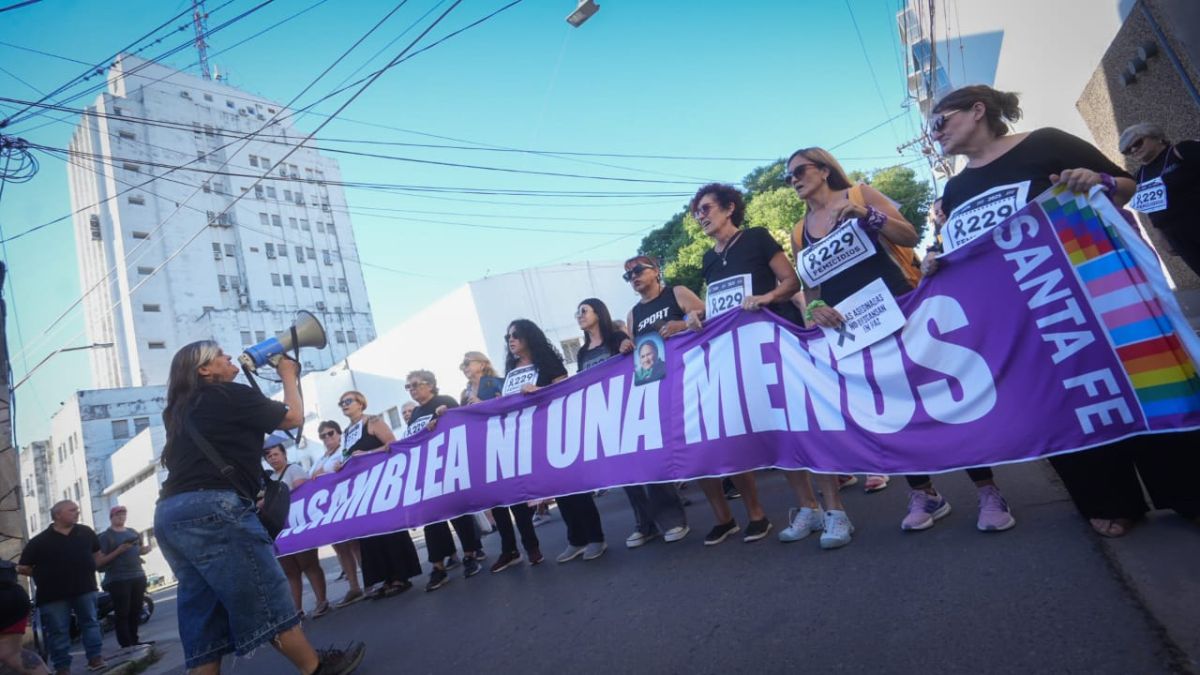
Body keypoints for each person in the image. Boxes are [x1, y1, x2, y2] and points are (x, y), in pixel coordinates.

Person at [925, 85, 1199, 537]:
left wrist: (1100, 182)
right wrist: (939, 264)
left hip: (1098, 297)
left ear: (978, 111)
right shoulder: (955, 189)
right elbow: (963, 253)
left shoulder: (1047, 143)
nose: (935, 135)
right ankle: (1108, 499)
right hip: (1027, 323)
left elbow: (1127, 186)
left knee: (1142, 384)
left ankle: (1187, 489)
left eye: (940, 122)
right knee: (1064, 404)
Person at [153, 342, 363, 674]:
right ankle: (315, 667)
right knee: (264, 591)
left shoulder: (178, 410)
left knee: (203, 614)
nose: (228, 357)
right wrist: (287, 375)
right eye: (219, 355)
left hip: (169, 514)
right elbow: (292, 417)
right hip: (213, 508)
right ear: (204, 370)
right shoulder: (226, 394)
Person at [783, 146, 926, 548]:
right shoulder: (799, 230)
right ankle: (924, 494)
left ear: (825, 170)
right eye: (788, 176)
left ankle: (986, 487)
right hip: (854, 329)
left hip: (899, 306)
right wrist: (815, 307)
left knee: (932, 394)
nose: (793, 180)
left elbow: (909, 235)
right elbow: (811, 286)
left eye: (799, 171)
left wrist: (868, 216)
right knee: (894, 409)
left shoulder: (861, 195)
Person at [681, 183, 792, 545]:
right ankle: (781, 510)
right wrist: (699, 316)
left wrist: (767, 297)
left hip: (772, 341)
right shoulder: (708, 259)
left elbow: (791, 281)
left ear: (730, 208)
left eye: (707, 208)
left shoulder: (757, 238)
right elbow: (717, 308)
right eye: (697, 212)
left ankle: (819, 502)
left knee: (789, 421)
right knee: (752, 426)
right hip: (735, 354)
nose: (701, 217)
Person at [618, 256, 693, 547]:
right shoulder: (633, 314)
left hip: (687, 376)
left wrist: (681, 324)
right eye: (628, 276)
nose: (633, 277)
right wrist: (626, 345)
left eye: (638, 270)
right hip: (654, 387)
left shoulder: (677, 293)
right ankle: (666, 519)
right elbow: (634, 348)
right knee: (653, 452)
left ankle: (736, 513)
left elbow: (704, 316)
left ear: (656, 272)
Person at [488, 319, 568, 572]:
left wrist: (539, 390)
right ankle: (571, 542)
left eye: (516, 335)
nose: (510, 340)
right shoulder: (510, 371)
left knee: (568, 487)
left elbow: (565, 391)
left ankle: (591, 537)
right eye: (507, 337)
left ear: (529, 337)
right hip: (519, 438)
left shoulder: (548, 363)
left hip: (549, 432)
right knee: (516, 492)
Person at [550, 299, 618, 563]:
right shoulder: (582, 351)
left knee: (639, 471)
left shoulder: (617, 337)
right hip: (598, 413)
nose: (578, 316)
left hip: (621, 409)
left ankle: (667, 521)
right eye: (576, 312)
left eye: (583, 311)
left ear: (598, 314)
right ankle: (642, 526)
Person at [337, 390, 423, 597]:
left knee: (389, 530)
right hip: (362, 488)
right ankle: (385, 577)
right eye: (341, 403)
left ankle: (400, 576)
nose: (344, 405)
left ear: (360, 403)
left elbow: (392, 444)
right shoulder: (348, 432)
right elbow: (350, 455)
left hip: (382, 482)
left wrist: (367, 454)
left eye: (348, 401)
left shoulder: (373, 421)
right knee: (372, 533)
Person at [404, 369, 485, 588]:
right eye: (408, 386)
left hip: (449, 465)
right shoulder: (415, 414)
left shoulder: (444, 401)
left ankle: (470, 554)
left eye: (415, 384)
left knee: (457, 512)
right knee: (431, 519)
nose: (411, 389)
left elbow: (460, 423)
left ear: (430, 385)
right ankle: (438, 566)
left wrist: (441, 418)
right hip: (427, 472)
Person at [17, 500, 114, 673]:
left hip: (85, 588)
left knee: (90, 623)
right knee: (58, 632)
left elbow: (97, 555)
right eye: (72, 510)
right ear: (58, 515)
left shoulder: (86, 532)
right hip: (52, 595)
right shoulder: (39, 541)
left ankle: (95, 659)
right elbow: (23, 567)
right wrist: (45, 575)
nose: (77, 512)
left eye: (77, 509)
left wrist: (91, 567)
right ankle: (62, 668)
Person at [1119, 122, 1200, 277]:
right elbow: (1152, 210)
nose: (1134, 150)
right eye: (1127, 151)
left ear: (1156, 137)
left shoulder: (1181, 151)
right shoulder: (1139, 176)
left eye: (1137, 143)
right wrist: (1160, 236)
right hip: (1179, 237)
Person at [265, 438, 330, 618]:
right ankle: (297, 609)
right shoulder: (270, 478)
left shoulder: (294, 469)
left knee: (309, 564)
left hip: (298, 524)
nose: (272, 458)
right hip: (279, 529)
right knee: (290, 570)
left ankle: (322, 601)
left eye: (276, 454)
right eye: (269, 456)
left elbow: (302, 494)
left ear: (284, 454)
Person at [309, 421, 365, 606]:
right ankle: (354, 587)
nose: (327, 438)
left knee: (355, 545)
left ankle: (370, 582)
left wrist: (323, 471)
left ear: (339, 434)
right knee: (340, 548)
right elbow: (312, 476)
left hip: (346, 503)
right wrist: (323, 470)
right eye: (322, 436)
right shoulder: (321, 457)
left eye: (330, 433)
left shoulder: (346, 449)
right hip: (329, 509)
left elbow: (345, 465)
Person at [97, 505, 153, 649]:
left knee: (136, 610)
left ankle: (134, 640)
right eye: (118, 515)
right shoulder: (106, 536)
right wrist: (118, 551)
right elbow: (100, 561)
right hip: (118, 579)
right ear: (111, 517)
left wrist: (144, 550)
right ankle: (126, 643)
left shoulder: (132, 532)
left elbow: (137, 550)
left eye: (123, 514)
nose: (121, 517)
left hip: (138, 575)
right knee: (123, 612)